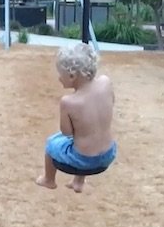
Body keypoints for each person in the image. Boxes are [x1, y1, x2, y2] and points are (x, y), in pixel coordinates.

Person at [35, 43, 117, 193]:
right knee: (86, 136)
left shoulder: (68, 102)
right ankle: (78, 182)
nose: (59, 78)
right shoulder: (106, 82)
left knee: (52, 142)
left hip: (83, 161)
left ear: (72, 76)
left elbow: (67, 132)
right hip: (108, 154)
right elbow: (112, 101)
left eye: (61, 74)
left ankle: (48, 179)